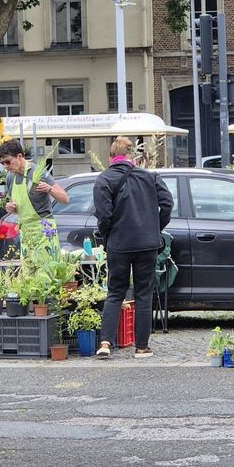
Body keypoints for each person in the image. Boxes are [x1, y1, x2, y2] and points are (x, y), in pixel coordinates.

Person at [93, 136, 173, 359]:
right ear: (131, 156)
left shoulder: (103, 180)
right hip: (147, 244)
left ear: (111, 157)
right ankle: (142, 347)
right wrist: (156, 228)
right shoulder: (150, 177)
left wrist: (108, 236)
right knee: (143, 294)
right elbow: (167, 204)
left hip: (119, 244)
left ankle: (105, 343)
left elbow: (103, 215)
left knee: (115, 292)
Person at [0, 140, 69, 243]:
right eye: (2, 163)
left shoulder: (38, 172)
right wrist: (9, 207)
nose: (5, 166)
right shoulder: (10, 178)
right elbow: (14, 204)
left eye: (8, 162)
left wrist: (49, 189)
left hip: (44, 229)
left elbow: (65, 199)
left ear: (19, 156)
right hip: (25, 230)